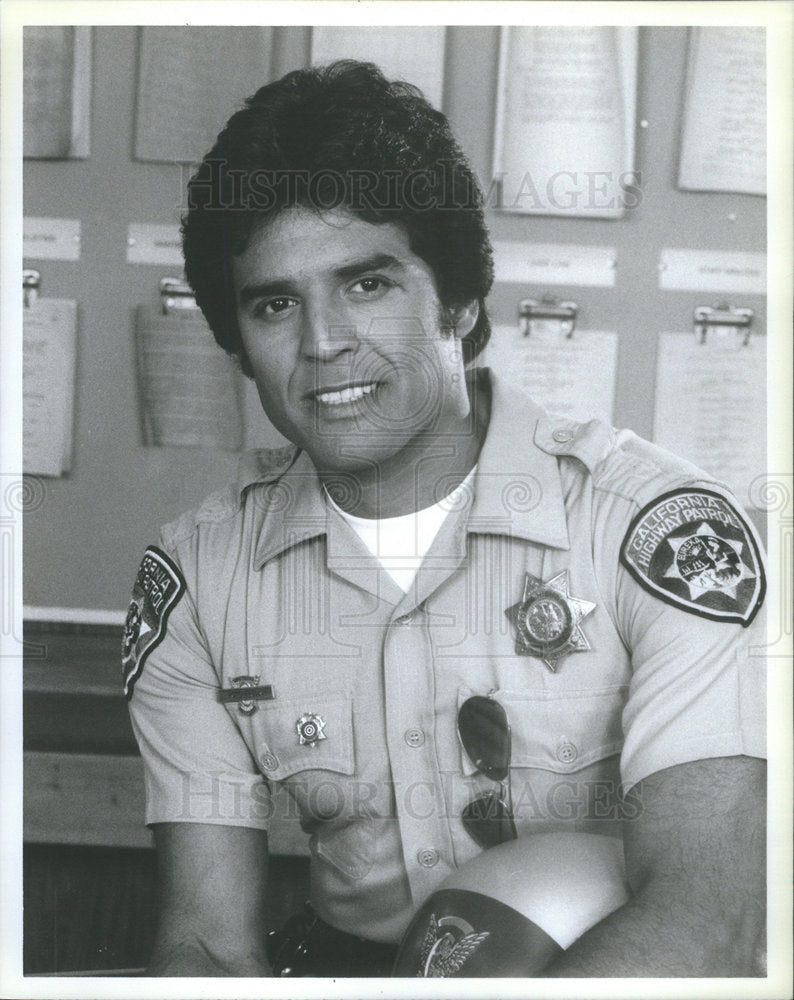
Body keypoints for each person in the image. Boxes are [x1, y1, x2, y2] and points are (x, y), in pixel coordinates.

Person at [122, 61, 767, 977]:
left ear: (459, 302)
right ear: (239, 345)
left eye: (367, 284)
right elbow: (206, 945)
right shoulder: (200, 583)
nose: (322, 343)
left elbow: (709, 926)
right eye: (275, 304)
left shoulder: (660, 535)